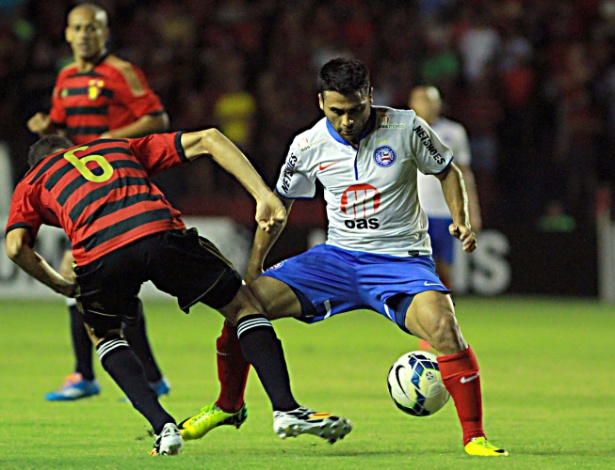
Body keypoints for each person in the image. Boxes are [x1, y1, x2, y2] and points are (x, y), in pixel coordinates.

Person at [179, 58, 508, 457]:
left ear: (370, 96)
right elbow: (276, 209)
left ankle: (474, 437)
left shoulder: (405, 127)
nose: (347, 121)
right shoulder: (307, 145)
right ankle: (228, 406)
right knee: (241, 307)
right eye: (337, 111)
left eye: (355, 110)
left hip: (400, 260)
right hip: (337, 260)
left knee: (444, 329)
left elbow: (448, 171)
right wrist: (254, 268)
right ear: (320, 102)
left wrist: (461, 220)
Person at [5, 129, 352, 455]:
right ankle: (286, 409)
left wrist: (62, 285)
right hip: (159, 233)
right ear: (73, 148)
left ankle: (163, 428)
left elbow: (16, 247)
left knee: (104, 335)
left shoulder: (32, 182)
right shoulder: (114, 147)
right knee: (244, 306)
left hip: (100, 256)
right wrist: (262, 195)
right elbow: (209, 139)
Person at [27, 3, 171, 401]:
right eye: (78, 28)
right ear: (67, 34)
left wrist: (106, 143)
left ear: (105, 33)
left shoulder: (120, 72)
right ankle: (150, 377)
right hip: (84, 189)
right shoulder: (66, 77)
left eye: (93, 28)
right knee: (108, 284)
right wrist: (46, 126)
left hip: (115, 184)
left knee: (78, 275)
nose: (85, 34)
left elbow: (157, 119)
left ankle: (85, 374)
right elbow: (61, 126)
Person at [409, 85, 482, 289]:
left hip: (445, 211)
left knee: (444, 266)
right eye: (422, 99)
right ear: (412, 104)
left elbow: (464, 173)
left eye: (432, 100)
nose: (428, 104)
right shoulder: (404, 131)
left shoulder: (454, 132)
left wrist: (471, 212)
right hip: (415, 212)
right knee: (417, 265)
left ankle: (444, 306)